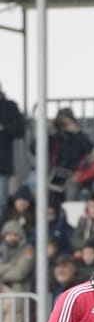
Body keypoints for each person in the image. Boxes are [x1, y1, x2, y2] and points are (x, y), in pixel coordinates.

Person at [0, 84, 25, 222]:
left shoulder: (9, 107)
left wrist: (4, 128)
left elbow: (20, 129)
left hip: (2, 164)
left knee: (1, 202)